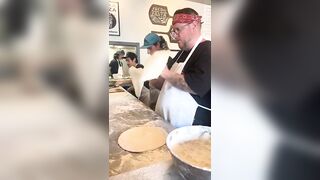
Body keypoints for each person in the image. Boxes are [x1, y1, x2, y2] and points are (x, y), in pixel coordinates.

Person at [150, 8, 211, 127]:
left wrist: (165, 72)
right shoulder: (181, 53)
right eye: (174, 31)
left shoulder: (208, 50)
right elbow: (166, 83)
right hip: (168, 122)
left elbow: (195, 86)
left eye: (178, 29)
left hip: (191, 129)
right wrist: (151, 79)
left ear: (194, 25)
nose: (174, 35)